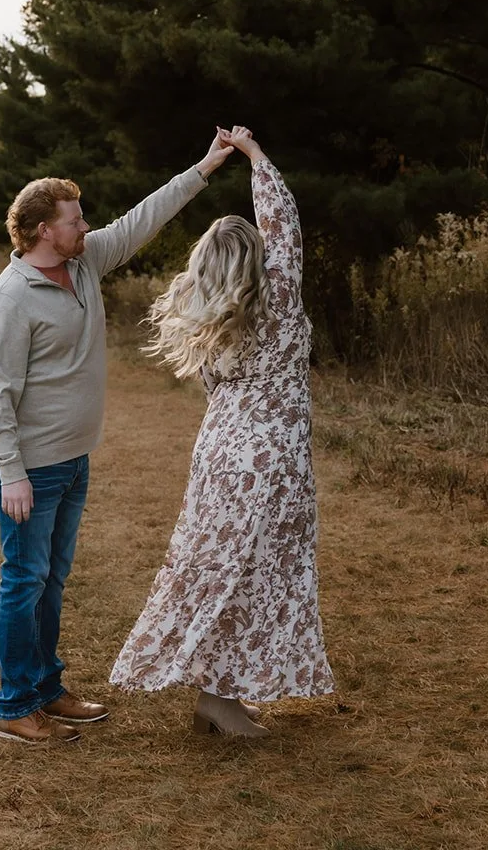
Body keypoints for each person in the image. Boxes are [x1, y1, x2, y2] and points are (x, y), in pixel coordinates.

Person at [0, 131, 235, 745]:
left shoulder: (83, 261)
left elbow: (141, 219)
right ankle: (13, 707)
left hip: (72, 459)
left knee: (52, 579)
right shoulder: (10, 299)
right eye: (75, 218)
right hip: (31, 469)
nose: (87, 226)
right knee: (24, 578)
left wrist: (203, 168)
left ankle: (45, 689)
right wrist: (9, 469)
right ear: (43, 229)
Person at [110, 126, 334, 736]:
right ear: (257, 258)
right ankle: (221, 697)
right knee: (257, 574)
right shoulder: (280, 295)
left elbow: (217, 386)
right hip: (271, 458)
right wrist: (259, 156)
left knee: (220, 568)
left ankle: (219, 694)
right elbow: (283, 221)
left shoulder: (213, 313)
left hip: (220, 453)